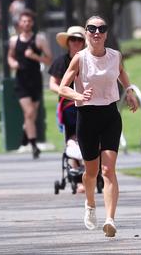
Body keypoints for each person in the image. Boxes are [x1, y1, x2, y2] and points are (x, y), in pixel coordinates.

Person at [57, 16, 139, 238]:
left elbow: (121, 72)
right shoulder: (80, 59)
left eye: (101, 29)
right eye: (92, 29)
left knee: (108, 170)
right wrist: (79, 95)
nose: (97, 32)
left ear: (106, 33)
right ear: (86, 33)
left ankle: (110, 219)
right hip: (87, 116)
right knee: (91, 172)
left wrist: (129, 90)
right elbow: (62, 88)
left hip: (110, 115)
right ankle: (90, 203)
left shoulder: (115, 56)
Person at [7, 10, 53, 159]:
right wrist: (13, 63)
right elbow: (10, 56)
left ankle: (25, 135)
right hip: (21, 81)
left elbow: (49, 59)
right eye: (23, 21)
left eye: (29, 21)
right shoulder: (14, 41)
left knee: (32, 114)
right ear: (19, 23)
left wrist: (34, 56)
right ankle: (34, 146)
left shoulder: (39, 40)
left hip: (35, 80)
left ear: (32, 23)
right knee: (29, 113)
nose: (26, 24)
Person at [48, 25, 86, 192]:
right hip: (68, 106)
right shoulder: (60, 62)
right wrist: (67, 92)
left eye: (79, 39)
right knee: (72, 136)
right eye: (73, 39)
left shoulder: (89, 60)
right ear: (68, 42)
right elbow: (52, 84)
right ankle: (78, 179)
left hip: (87, 103)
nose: (76, 42)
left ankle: (89, 174)